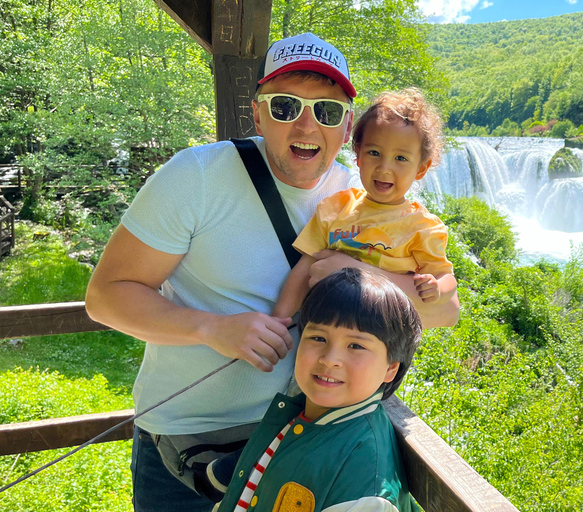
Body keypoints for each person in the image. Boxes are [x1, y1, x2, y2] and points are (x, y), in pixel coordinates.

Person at [84, 32, 459, 512]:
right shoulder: (196, 177)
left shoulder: (364, 198)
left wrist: (348, 269)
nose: (306, 125)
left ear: (347, 128)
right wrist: (212, 328)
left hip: (303, 442)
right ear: (258, 113)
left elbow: (443, 310)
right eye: (285, 107)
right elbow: (106, 297)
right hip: (186, 450)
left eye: (326, 110)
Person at [196, 268, 420, 512]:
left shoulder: (366, 482)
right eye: (318, 338)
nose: (330, 358)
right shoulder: (301, 413)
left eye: (355, 345)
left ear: (391, 369)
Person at [273, 88, 456, 319]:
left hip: (381, 335)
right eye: (374, 152)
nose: (384, 168)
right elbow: (304, 269)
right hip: (325, 325)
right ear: (358, 155)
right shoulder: (335, 208)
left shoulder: (423, 228)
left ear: (420, 169)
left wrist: (438, 289)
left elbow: (446, 278)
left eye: (401, 158)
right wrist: (279, 319)